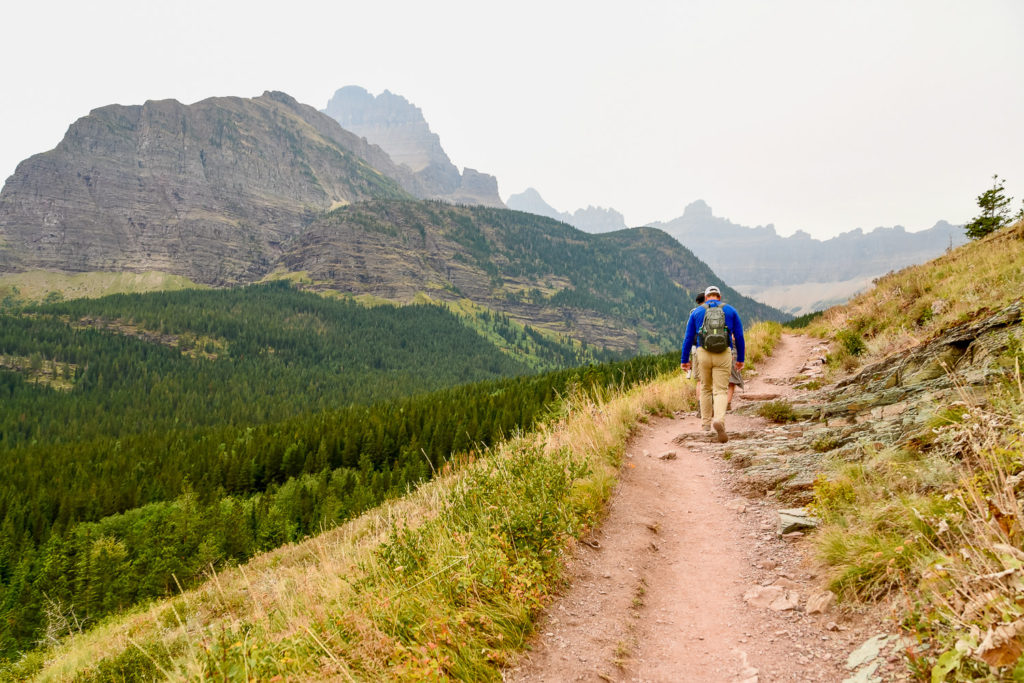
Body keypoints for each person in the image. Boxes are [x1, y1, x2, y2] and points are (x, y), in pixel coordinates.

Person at [680, 285, 745, 443]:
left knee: (705, 388)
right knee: (721, 390)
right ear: (719, 297)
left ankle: (705, 424)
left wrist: (684, 360)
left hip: (703, 353)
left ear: (707, 297)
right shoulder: (730, 310)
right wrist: (740, 359)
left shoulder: (697, 312)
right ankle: (719, 420)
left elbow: (688, 338)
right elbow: (740, 336)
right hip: (723, 353)